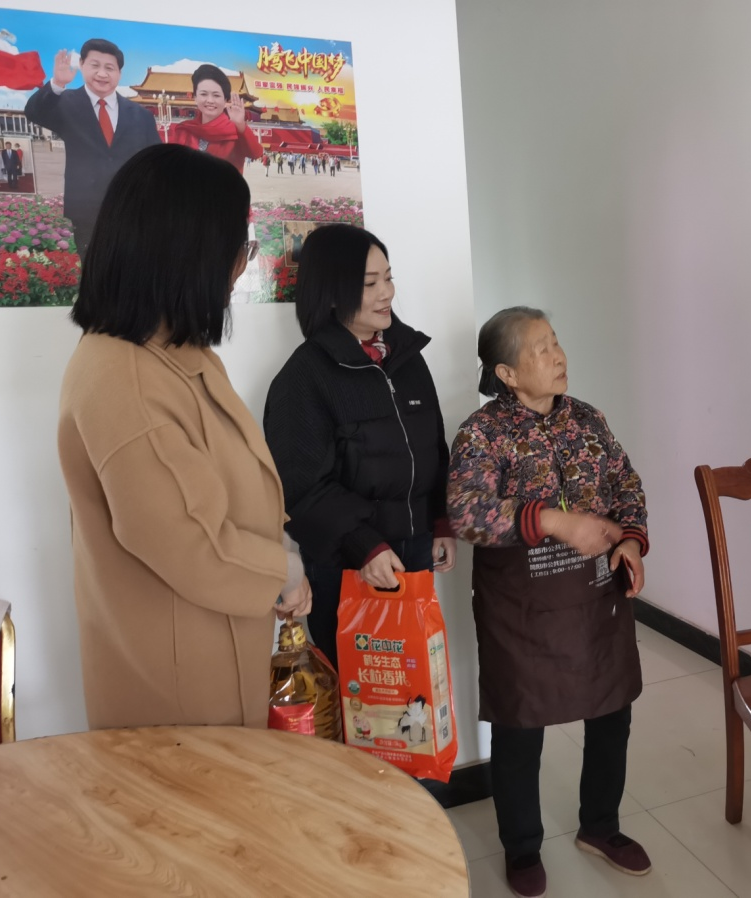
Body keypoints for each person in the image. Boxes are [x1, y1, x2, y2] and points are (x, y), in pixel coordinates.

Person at [57, 144, 312, 730]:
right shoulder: (124, 376)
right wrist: (284, 571)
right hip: (176, 687)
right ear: (189, 254)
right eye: (239, 248)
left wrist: (279, 556)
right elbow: (188, 543)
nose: (242, 266)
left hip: (213, 649)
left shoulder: (175, 353)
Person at [448, 308, 652, 898]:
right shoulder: (482, 433)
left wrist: (631, 540)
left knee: (611, 709)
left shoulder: (587, 419)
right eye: (540, 349)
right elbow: (466, 512)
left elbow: (626, 484)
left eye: (556, 342)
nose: (558, 356)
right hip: (522, 608)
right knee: (521, 721)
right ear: (507, 373)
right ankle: (522, 846)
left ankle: (601, 825)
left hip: (595, 597)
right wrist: (557, 522)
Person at [264, 224, 456, 670]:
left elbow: (433, 446)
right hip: (348, 567)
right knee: (361, 696)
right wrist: (364, 546)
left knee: (415, 693)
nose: (387, 292)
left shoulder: (407, 358)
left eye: (388, 277)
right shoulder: (304, 377)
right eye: (370, 283)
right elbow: (301, 487)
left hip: (414, 555)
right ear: (332, 293)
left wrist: (441, 520)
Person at [24, 39, 160, 257]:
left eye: (109, 68)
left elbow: (156, 160)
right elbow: (34, 112)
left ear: (119, 73)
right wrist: (57, 83)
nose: (102, 74)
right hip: (87, 212)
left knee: (131, 268)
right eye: (95, 65)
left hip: (132, 210)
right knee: (92, 268)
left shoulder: (140, 115)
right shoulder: (65, 102)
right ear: (82, 65)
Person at [169, 64, 263, 174]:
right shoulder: (184, 130)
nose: (210, 100)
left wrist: (241, 126)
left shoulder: (235, 132)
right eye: (204, 94)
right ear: (195, 98)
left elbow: (255, 153)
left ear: (225, 100)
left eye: (216, 95)